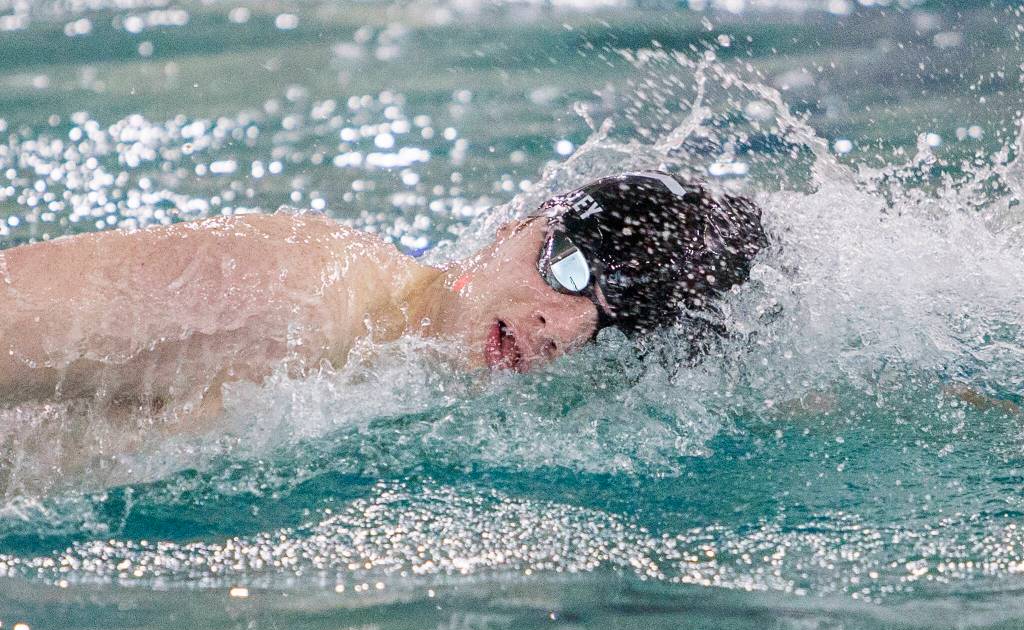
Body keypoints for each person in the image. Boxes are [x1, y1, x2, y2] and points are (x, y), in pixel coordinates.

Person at [0, 170, 767, 429]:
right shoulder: (297, 287)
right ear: (513, 225)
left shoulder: (400, 391)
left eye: (603, 324)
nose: (559, 327)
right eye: (567, 271)